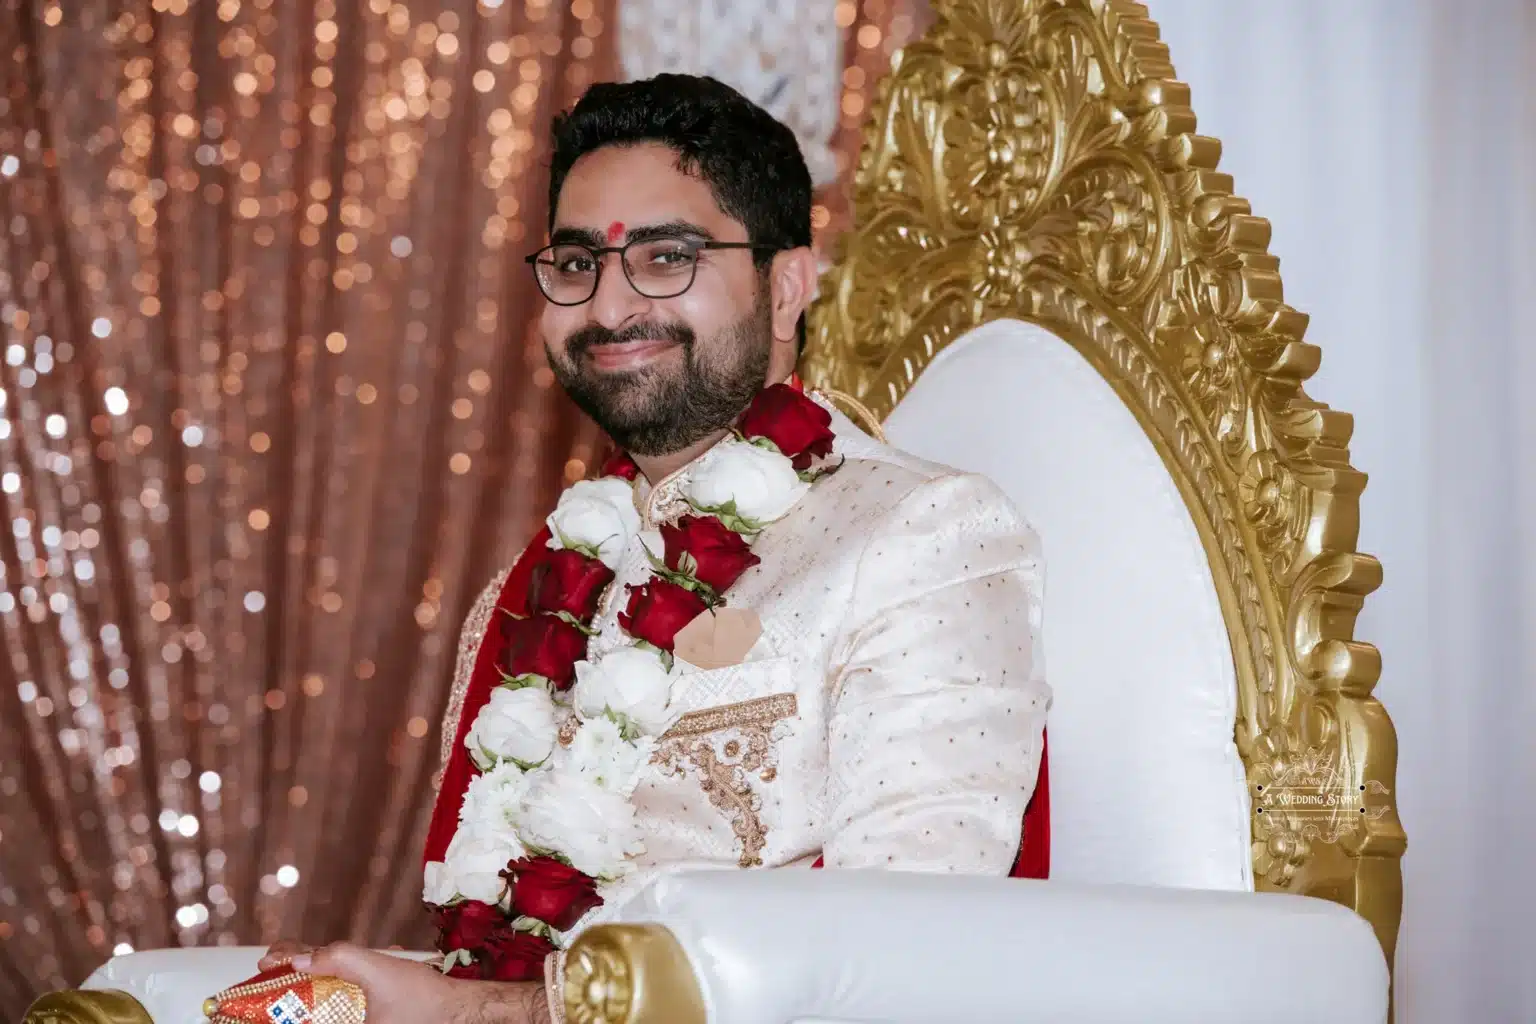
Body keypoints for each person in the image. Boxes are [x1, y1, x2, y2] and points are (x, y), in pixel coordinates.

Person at [262, 72, 1049, 1024]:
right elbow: (490, 941)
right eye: (576, 262)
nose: (610, 305)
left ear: (788, 282)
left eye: (668, 257)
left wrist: (471, 1017)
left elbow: (909, 940)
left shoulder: (922, 534)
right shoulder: (537, 593)